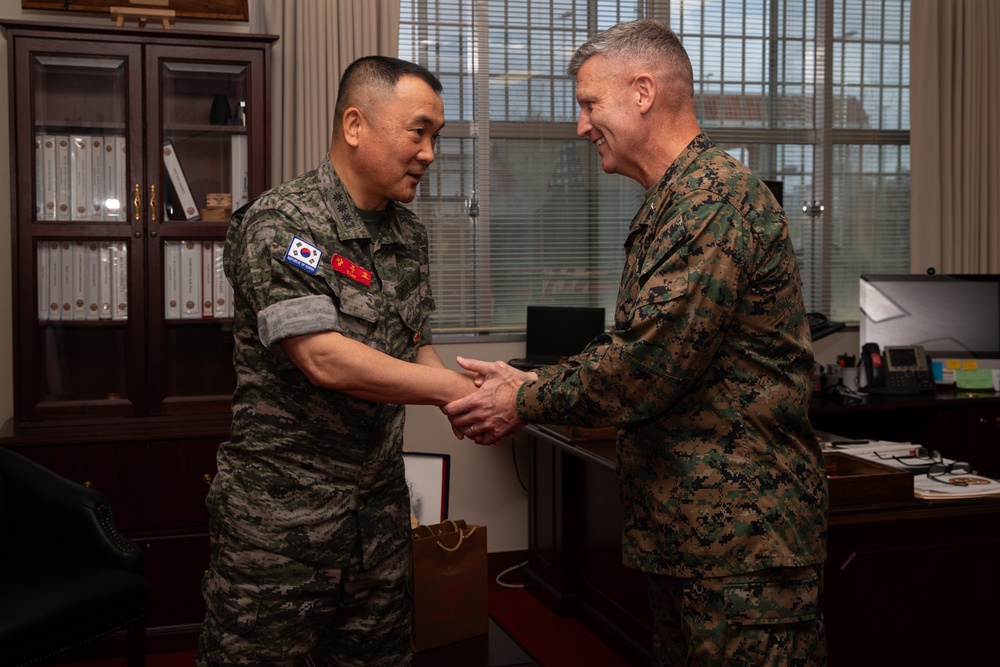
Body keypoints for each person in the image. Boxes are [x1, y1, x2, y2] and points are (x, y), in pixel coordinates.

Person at [443, 19, 828, 666]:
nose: (581, 125)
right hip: (695, 539)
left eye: (591, 104)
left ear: (643, 92)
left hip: (745, 549)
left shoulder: (714, 201)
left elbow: (647, 361)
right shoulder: (674, 202)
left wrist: (526, 395)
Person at [196, 56, 475, 667]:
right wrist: (452, 391)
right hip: (281, 529)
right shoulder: (283, 223)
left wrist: (475, 389)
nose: (430, 153)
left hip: (375, 523)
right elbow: (323, 358)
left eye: (438, 137)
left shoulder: (409, 235)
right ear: (355, 125)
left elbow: (412, 347)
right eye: (418, 131)